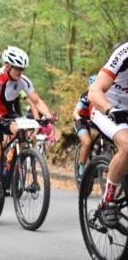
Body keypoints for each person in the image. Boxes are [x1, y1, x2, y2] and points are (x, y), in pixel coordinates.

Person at [0, 46, 56, 214]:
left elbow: (37, 100)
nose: (21, 72)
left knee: (21, 131)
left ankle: (14, 164)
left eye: (22, 69)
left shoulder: (23, 81)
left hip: (8, 114)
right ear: (7, 66)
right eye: (18, 68)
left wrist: (48, 114)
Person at [88, 41, 128, 228]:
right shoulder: (124, 52)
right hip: (107, 107)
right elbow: (94, 91)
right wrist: (109, 108)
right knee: (127, 146)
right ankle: (108, 201)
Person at [73, 75, 96, 180]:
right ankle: (81, 167)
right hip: (82, 120)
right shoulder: (85, 96)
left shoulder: (106, 95)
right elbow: (75, 112)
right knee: (87, 142)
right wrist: (78, 118)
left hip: (95, 120)